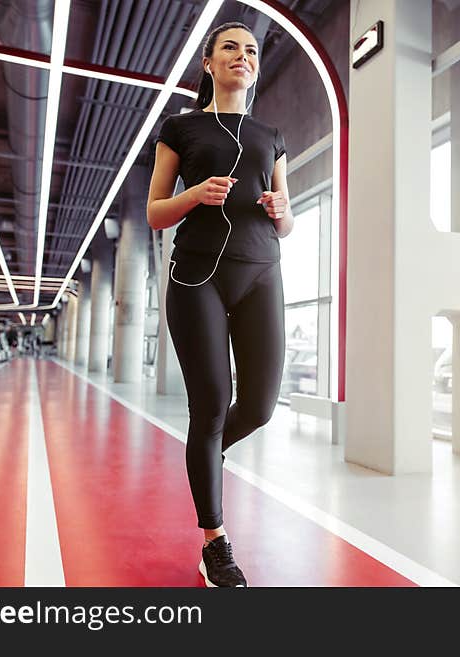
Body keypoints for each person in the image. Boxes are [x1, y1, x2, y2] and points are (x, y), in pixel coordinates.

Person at [147, 22, 294, 587]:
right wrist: (193, 194)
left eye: (252, 50)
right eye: (231, 47)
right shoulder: (180, 128)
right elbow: (156, 211)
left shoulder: (271, 134)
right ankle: (215, 542)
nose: (244, 56)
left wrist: (281, 207)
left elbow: (286, 224)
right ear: (209, 63)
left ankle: (203, 455)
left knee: (257, 406)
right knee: (210, 405)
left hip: (261, 272)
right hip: (197, 275)